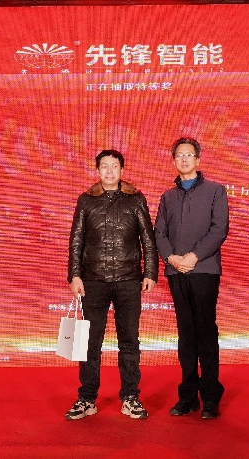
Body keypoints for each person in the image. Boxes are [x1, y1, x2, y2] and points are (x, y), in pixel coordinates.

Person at [65, 149, 158, 420]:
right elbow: (76, 240)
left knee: (129, 342)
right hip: (93, 280)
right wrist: (75, 275)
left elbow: (148, 239)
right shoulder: (86, 200)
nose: (109, 171)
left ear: (121, 170)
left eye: (114, 166)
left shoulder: (135, 199)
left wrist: (150, 273)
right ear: (97, 171)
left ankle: (130, 397)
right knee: (90, 343)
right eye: (104, 166)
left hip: (129, 280)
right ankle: (86, 398)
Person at [154, 137, 229, 419]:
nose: (184, 159)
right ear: (174, 161)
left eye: (188, 155)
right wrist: (171, 258)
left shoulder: (216, 191)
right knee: (185, 334)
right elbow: (159, 232)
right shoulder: (167, 197)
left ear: (198, 159)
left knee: (205, 332)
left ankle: (210, 397)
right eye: (179, 155)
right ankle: (187, 396)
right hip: (176, 270)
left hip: (204, 270)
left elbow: (219, 229)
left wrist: (194, 256)